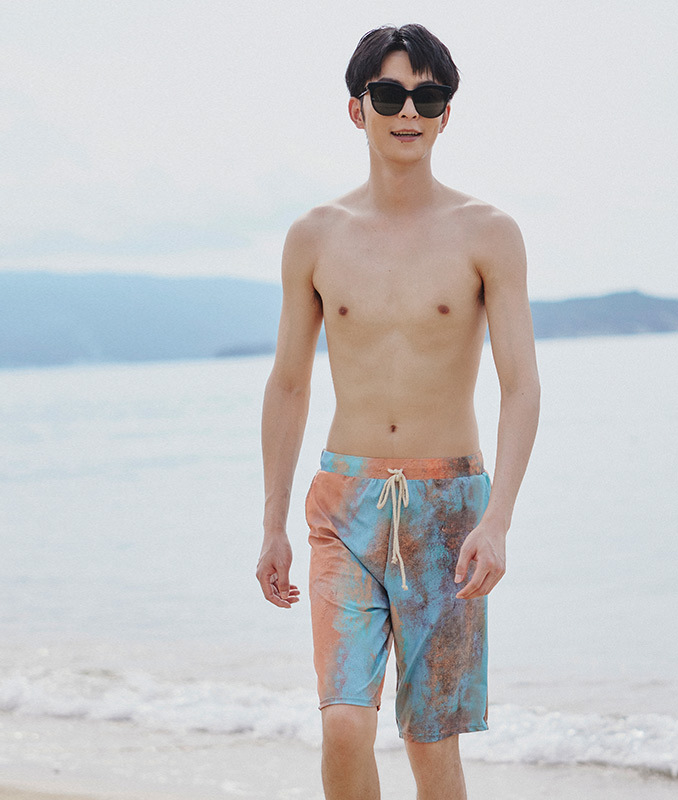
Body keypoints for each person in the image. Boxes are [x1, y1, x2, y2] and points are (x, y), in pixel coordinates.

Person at [256, 23, 540, 800]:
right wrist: (273, 523)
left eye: (427, 96)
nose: (408, 111)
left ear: (447, 113)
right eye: (389, 94)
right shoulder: (315, 236)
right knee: (345, 724)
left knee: (430, 742)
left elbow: (521, 386)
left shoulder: (489, 233)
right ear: (358, 109)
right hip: (344, 504)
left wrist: (498, 521)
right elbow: (288, 384)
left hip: (449, 510)